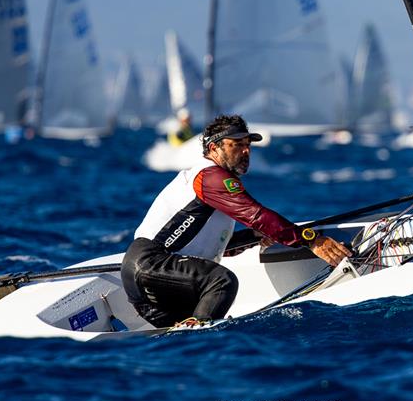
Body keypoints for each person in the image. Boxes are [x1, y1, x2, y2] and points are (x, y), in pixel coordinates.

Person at [122, 114, 351, 327]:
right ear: (214, 148)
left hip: (154, 280)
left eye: (248, 145)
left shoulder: (213, 185)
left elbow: (216, 245)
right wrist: (310, 240)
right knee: (221, 281)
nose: (246, 151)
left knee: (187, 329)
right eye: (237, 145)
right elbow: (257, 215)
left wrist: (253, 237)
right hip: (150, 266)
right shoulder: (210, 177)